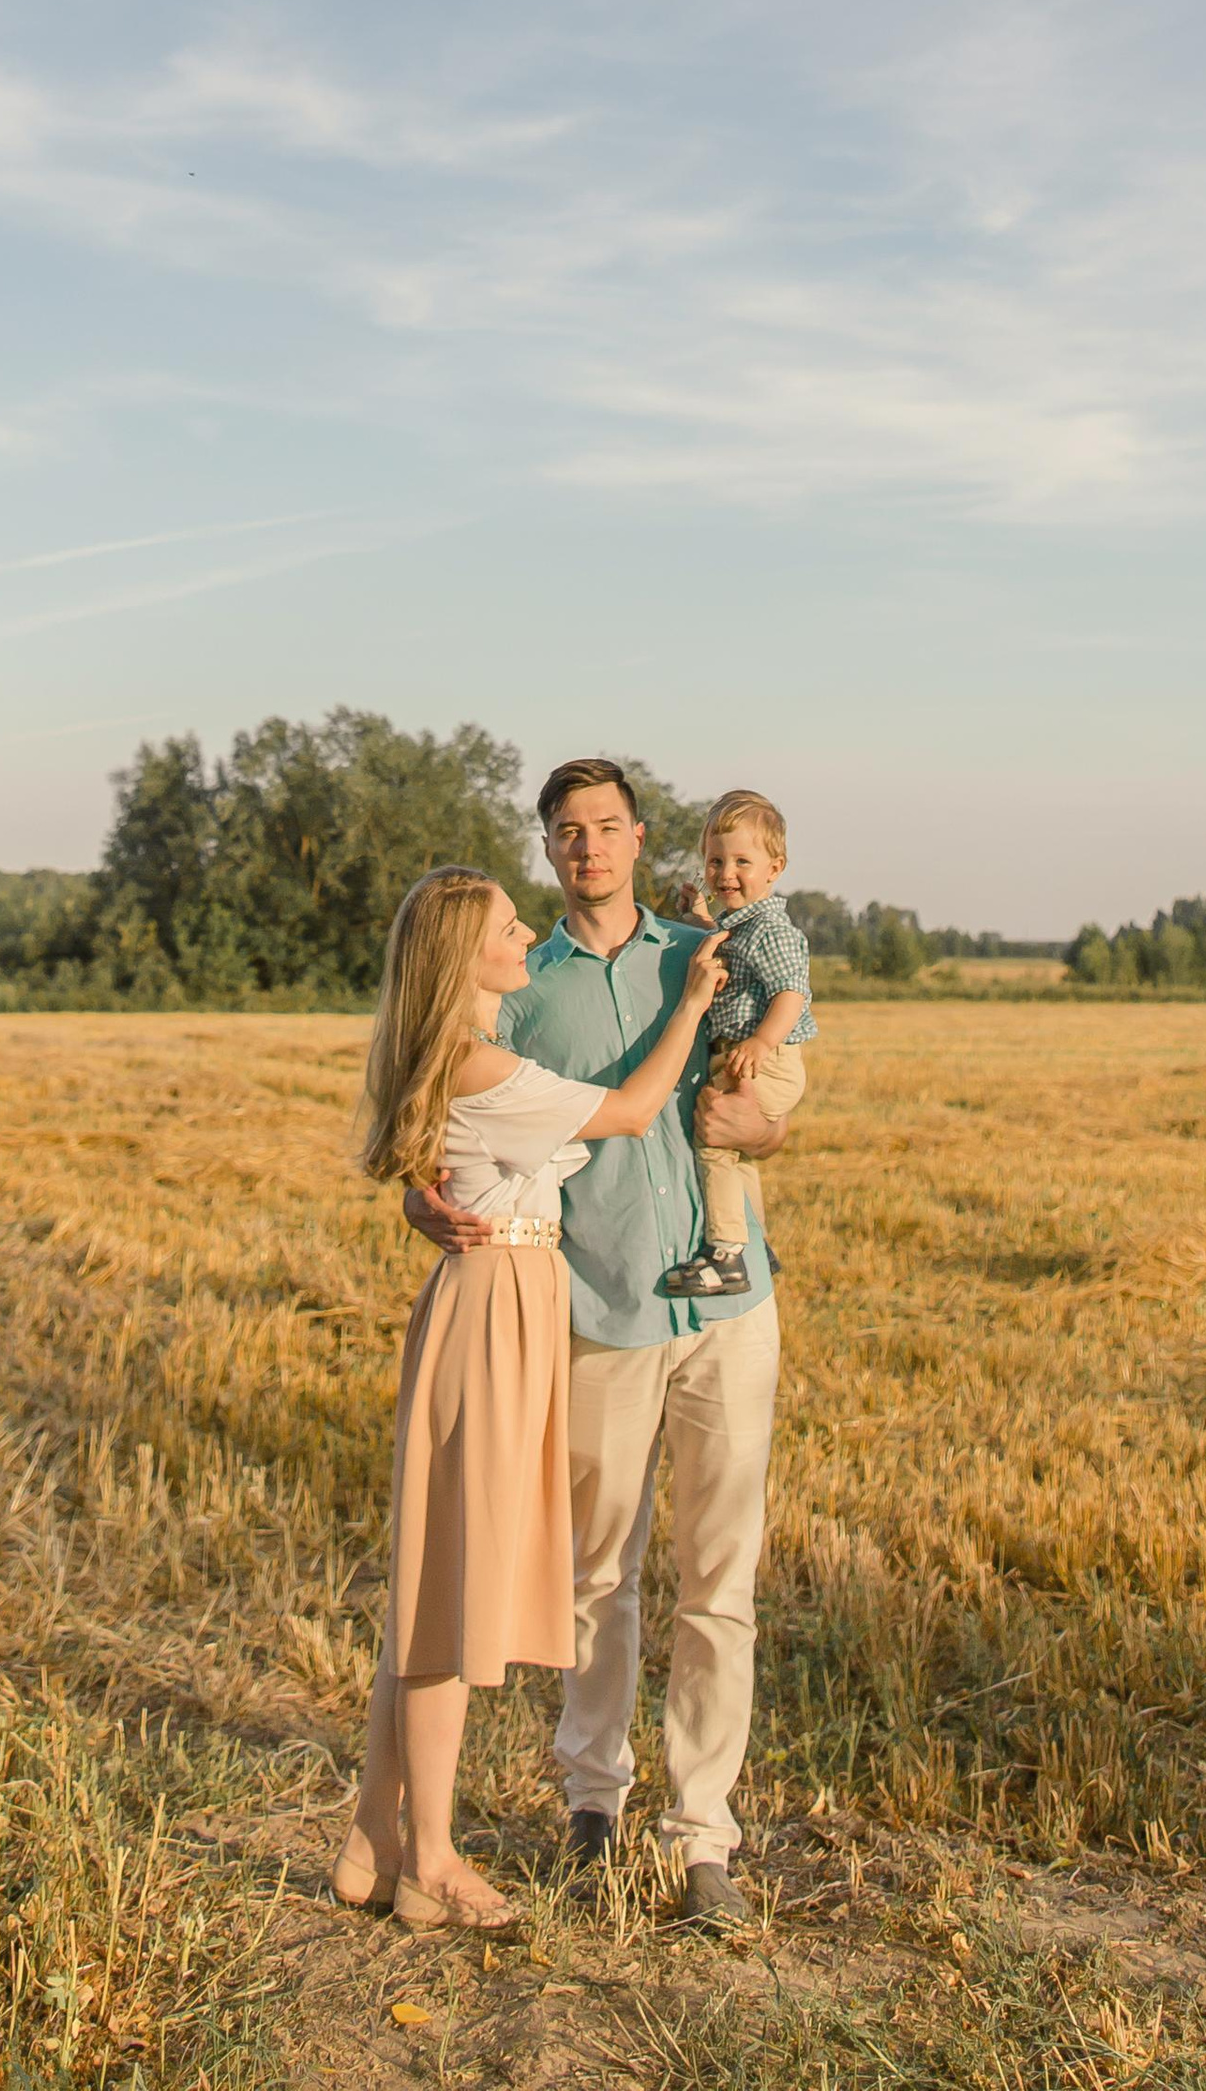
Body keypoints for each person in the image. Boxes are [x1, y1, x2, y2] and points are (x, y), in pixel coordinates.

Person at [407, 761, 795, 1933]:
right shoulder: (517, 986)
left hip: (728, 1308)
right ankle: (592, 1804)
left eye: (608, 827)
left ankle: (704, 1834)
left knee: (721, 1579)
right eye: (568, 832)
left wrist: (766, 1129)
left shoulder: (706, 952)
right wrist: (422, 1201)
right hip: (598, 1307)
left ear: (638, 839)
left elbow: (772, 1094)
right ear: (548, 849)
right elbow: (448, 1129)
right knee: (597, 1576)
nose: (589, 848)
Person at [336, 864, 726, 1930]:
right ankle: (430, 1862)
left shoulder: (461, 1054)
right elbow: (635, 1110)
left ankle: (372, 1839)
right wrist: (694, 999)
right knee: (451, 1591)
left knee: (436, 1578)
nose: (525, 939)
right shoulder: (485, 1067)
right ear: (463, 957)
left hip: (497, 1295)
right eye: (509, 928)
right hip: (498, 1306)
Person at [659, 787, 815, 1302]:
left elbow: (791, 991)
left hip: (764, 1060)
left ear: (775, 868)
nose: (726, 872)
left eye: (742, 862)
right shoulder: (742, 925)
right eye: (715, 861)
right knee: (736, 1154)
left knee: (715, 1146)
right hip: (746, 1056)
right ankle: (755, 1242)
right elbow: (726, 944)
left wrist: (763, 1042)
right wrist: (699, 915)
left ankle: (725, 1254)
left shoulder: (771, 929)